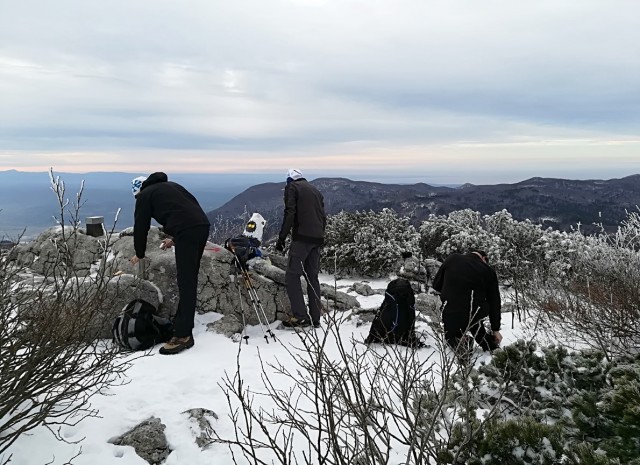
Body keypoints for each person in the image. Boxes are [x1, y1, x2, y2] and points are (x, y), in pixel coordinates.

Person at [130, 172, 210, 355]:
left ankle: (183, 336)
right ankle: (181, 326)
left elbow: (140, 227)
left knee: (186, 281)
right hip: (201, 226)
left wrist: (139, 253)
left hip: (187, 231)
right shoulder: (172, 186)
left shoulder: (144, 196)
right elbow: (187, 209)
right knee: (188, 278)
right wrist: (175, 238)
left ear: (138, 191)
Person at [275, 168, 327, 328]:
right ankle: (316, 318)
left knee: (292, 276)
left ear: (290, 180)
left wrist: (282, 237)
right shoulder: (315, 190)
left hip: (302, 238)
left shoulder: (292, 188)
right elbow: (322, 216)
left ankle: (300, 316)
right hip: (317, 238)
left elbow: (290, 212)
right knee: (313, 278)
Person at [431, 250, 503, 357]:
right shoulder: (488, 271)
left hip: (451, 308)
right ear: (483, 258)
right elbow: (494, 302)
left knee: (451, 335)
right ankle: (489, 344)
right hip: (476, 311)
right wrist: (495, 329)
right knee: (475, 321)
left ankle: (462, 342)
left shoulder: (452, 258)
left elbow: (436, 285)